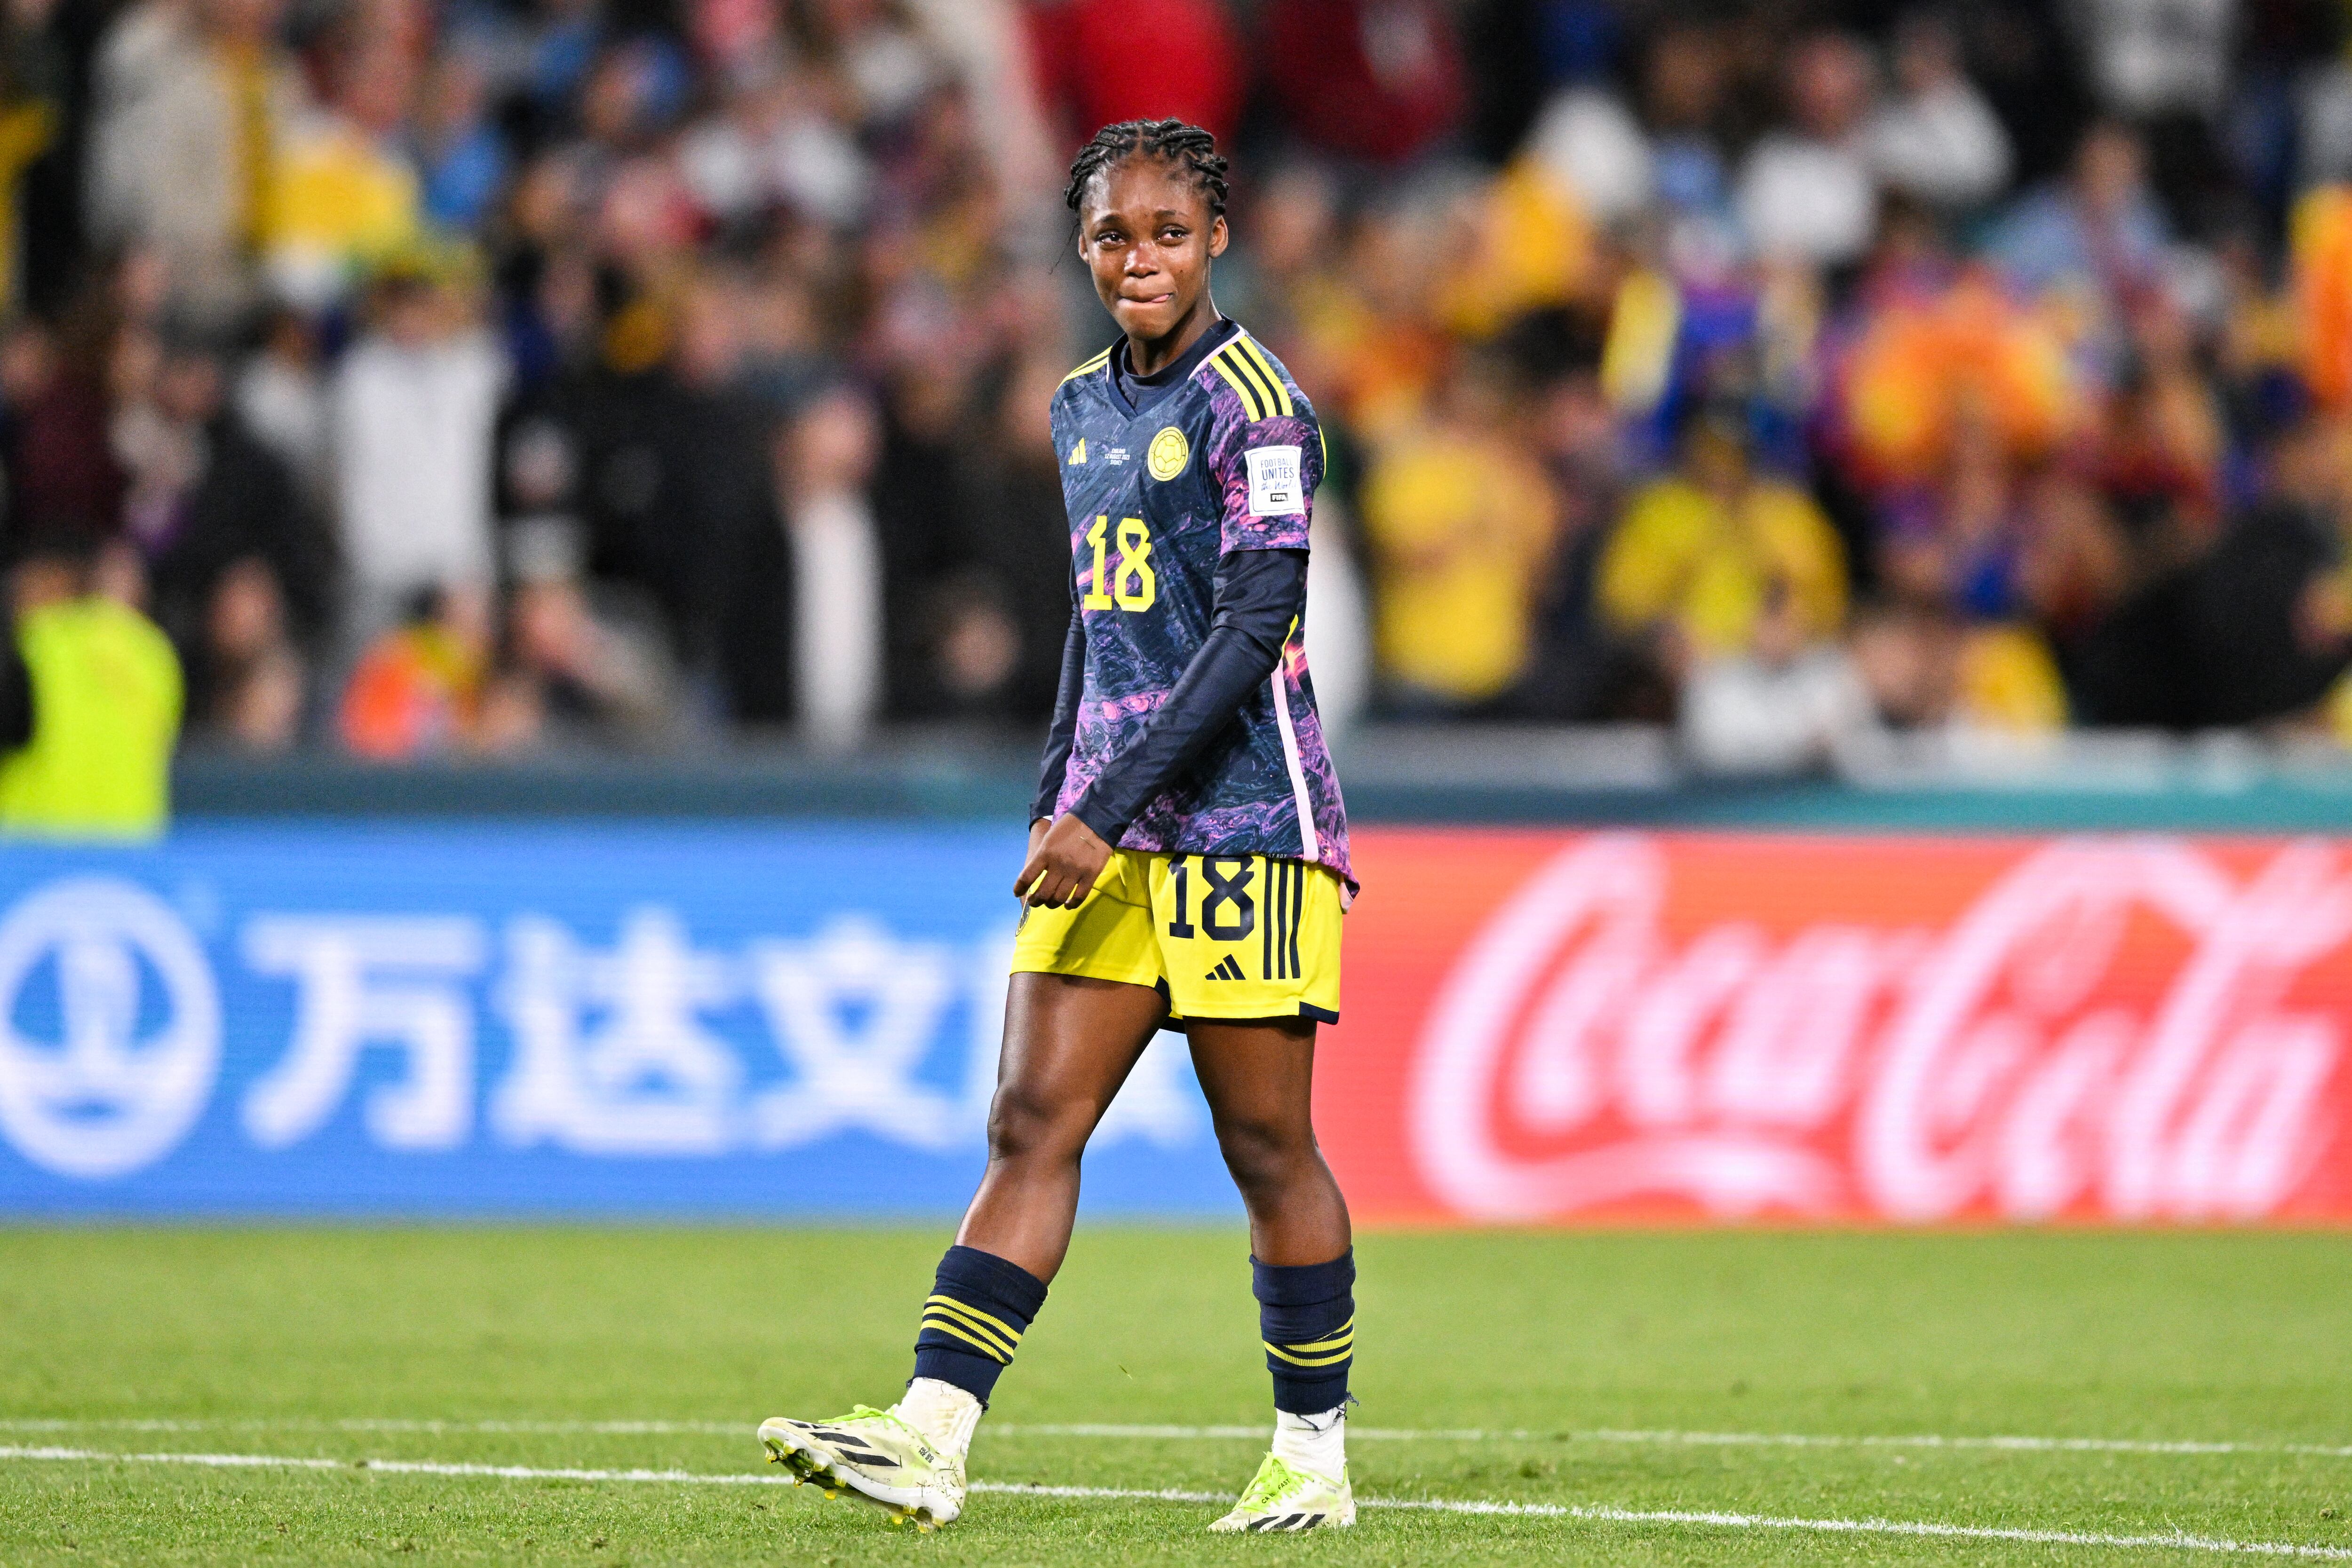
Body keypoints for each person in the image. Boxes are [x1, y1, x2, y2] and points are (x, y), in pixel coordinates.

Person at [758, 119, 1359, 1535]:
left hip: (1243, 829)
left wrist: (1106, 803)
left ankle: (1312, 1454)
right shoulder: (1079, 405)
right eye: (1110, 235)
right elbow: (1104, 627)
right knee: (1030, 1118)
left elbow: (1256, 625)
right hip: (1109, 821)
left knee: (1265, 1149)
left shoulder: (1258, 404)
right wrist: (1061, 791)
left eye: (1164, 232)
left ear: (1217, 238)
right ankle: (929, 1432)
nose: (1136, 258)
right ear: (1081, 246)